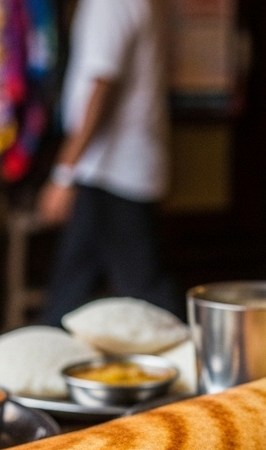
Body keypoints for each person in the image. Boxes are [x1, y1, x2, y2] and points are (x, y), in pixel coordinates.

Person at [38, 0, 181, 325]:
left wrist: (64, 173)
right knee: (71, 290)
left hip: (113, 169)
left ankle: (197, 361)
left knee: (148, 294)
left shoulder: (111, 4)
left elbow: (102, 86)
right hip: (113, 167)